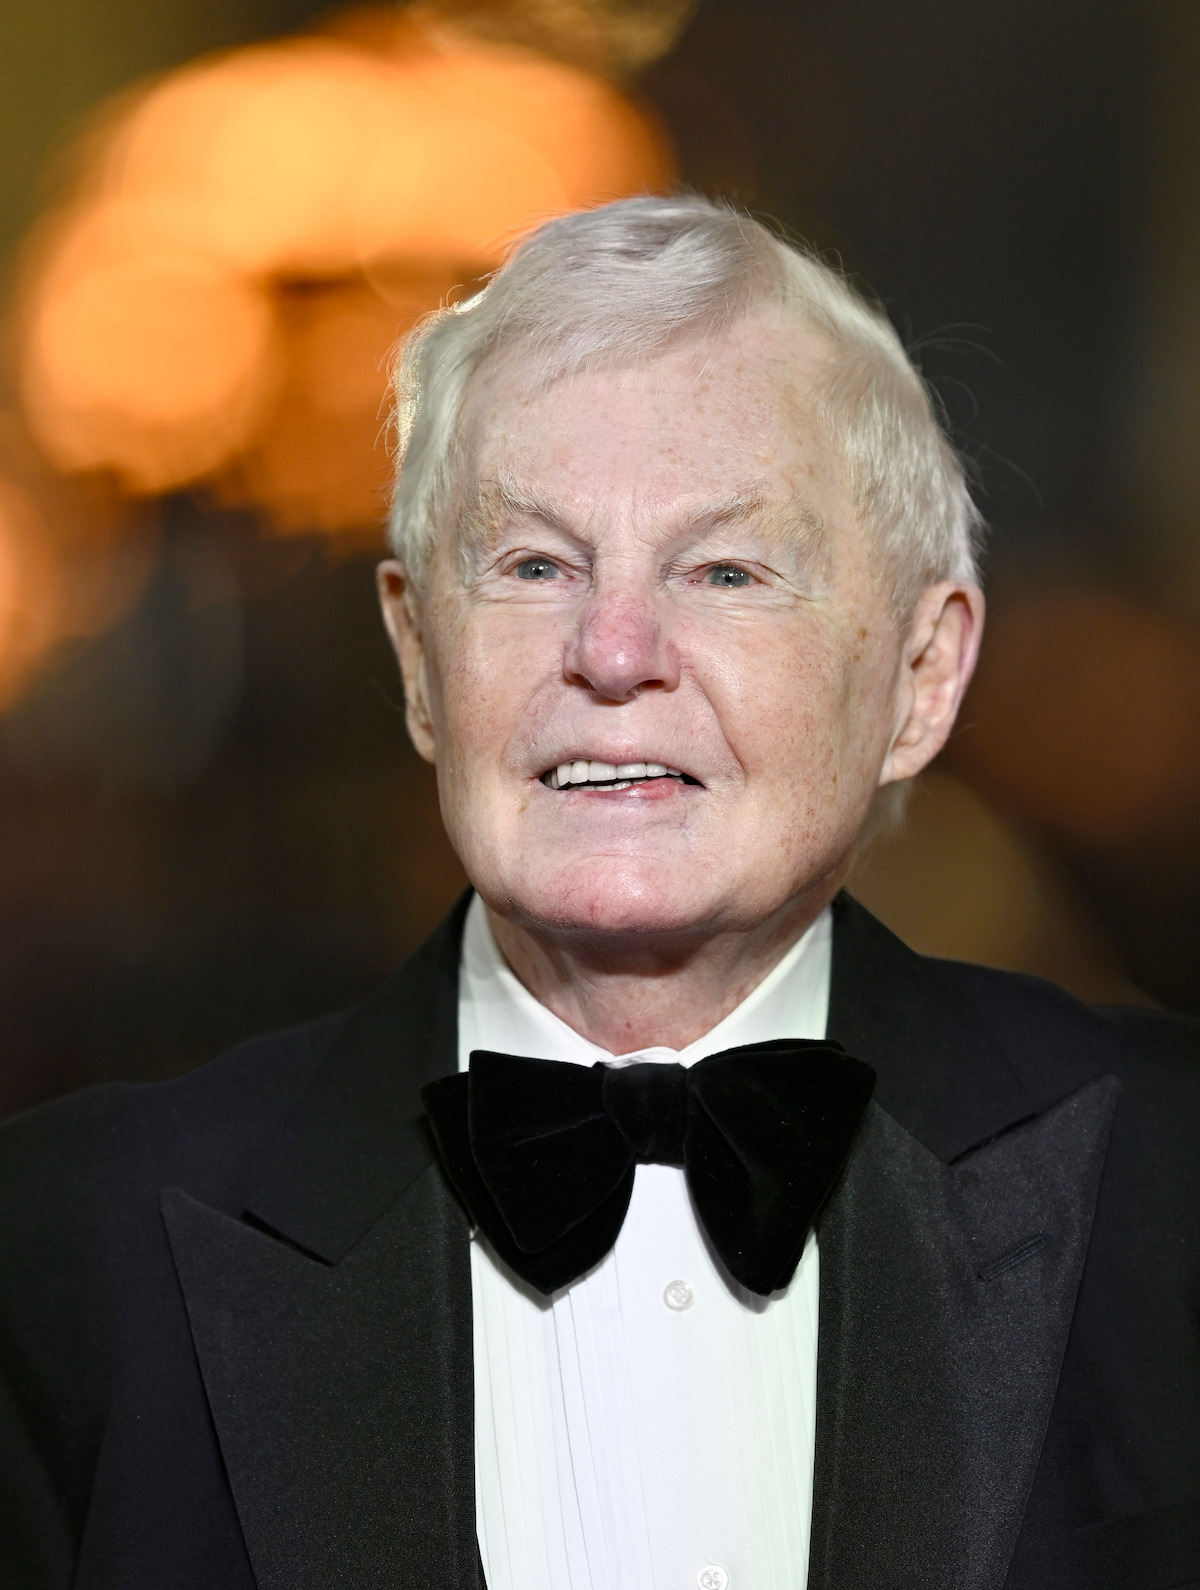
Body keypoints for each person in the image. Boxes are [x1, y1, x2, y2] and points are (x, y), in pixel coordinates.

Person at [1, 196, 1197, 1590]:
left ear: (921, 679)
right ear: (418, 657)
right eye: (534, 566)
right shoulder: (70, 1251)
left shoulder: (1170, 1190)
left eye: (727, 569)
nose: (614, 651)